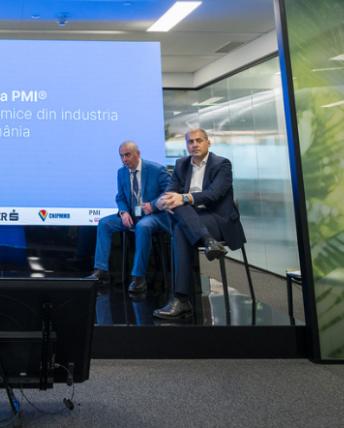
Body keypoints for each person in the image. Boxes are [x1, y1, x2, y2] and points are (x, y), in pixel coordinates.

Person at [153, 128, 246, 320]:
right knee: (179, 214)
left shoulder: (222, 164)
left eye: (199, 140)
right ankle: (208, 241)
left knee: (180, 223)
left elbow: (214, 194)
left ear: (208, 143)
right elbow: (170, 191)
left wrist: (184, 198)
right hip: (193, 219)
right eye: (190, 141)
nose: (194, 145)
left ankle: (181, 300)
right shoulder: (181, 164)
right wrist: (160, 202)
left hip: (216, 219)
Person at [87, 141, 171, 293]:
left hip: (154, 214)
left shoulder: (157, 169)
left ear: (137, 154)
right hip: (132, 214)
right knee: (104, 223)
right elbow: (120, 197)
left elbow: (169, 192)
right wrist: (123, 212)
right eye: (121, 156)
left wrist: (153, 205)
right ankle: (102, 271)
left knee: (143, 226)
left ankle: (138, 278)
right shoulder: (122, 172)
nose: (124, 159)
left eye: (127, 155)